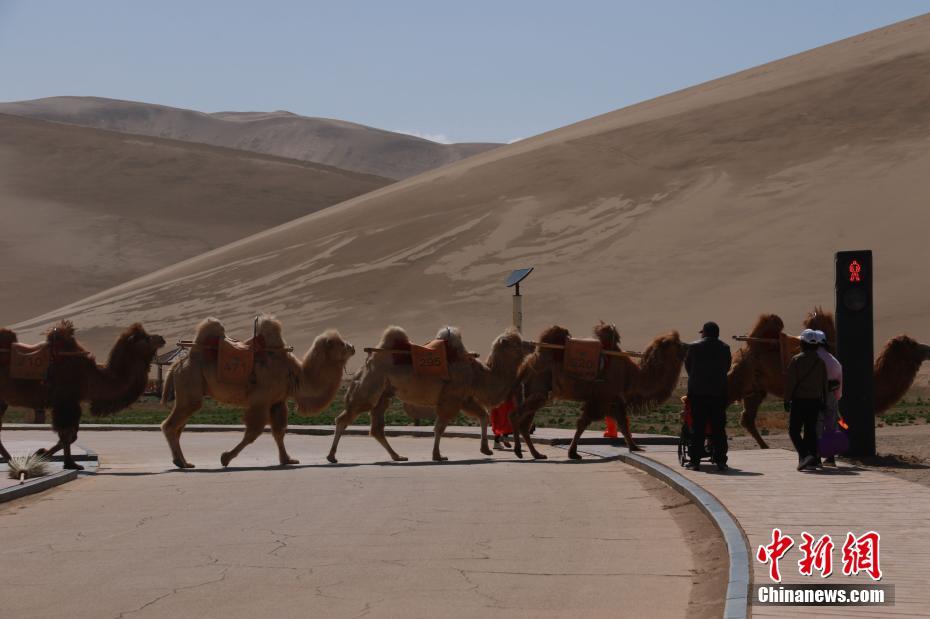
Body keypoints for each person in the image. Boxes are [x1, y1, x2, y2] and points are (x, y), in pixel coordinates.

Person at [684, 321, 732, 471]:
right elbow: (727, 367)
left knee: (698, 428)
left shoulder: (693, 347)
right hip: (718, 394)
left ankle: (695, 461)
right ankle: (721, 461)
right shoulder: (725, 348)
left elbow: (688, 367)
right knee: (719, 428)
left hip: (698, 394)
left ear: (704, 332)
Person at [784, 329, 828, 471]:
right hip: (815, 402)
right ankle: (813, 460)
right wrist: (824, 402)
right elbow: (824, 385)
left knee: (793, 431)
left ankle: (805, 455)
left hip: (799, 401)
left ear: (802, 343)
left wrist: (786, 400)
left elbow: (790, 383)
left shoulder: (797, 360)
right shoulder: (820, 362)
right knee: (810, 431)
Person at [814, 330, 842, 466]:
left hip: (815, 396)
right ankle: (830, 458)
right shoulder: (834, 361)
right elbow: (839, 381)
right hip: (831, 396)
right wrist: (836, 397)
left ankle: (817, 457)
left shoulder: (810, 358)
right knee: (831, 426)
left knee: (816, 426)